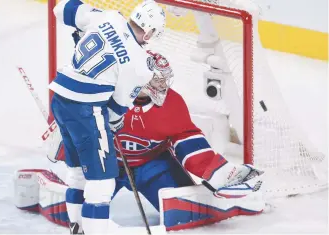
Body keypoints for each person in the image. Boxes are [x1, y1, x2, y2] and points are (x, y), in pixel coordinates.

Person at [14, 51, 264, 233]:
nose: (162, 85)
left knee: (183, 213)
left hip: (153, 165)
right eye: (156, 80)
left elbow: (188, 140)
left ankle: (239, 201)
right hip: (106, 166)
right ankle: (40, 188)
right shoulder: (105, 94)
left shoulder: (171, 103)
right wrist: (61, 138)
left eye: (163, 79)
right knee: (73, 215)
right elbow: (84, 136)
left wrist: (218, 173)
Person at [48, 0, 166, 234]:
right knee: (101, 183)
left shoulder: (109, 16)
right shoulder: (140, 64)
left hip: (60, 98)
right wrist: (112, 124)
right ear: (150, 31)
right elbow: (115, 109)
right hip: (86, 108)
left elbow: (62, 9)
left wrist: (82, 31)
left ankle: (77, 227)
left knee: (78, 172)